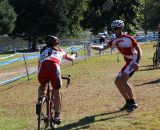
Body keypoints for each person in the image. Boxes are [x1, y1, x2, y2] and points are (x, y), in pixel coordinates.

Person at [91, 20, 142, 112]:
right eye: (113, 29)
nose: (114, 30)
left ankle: (133, 103)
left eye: (116, 29)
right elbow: (103, 47)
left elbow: (139, 50)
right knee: (117, 82)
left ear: (121, 28)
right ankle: (128, 102)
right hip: (127, 62)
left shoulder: (129, 38)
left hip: (133, 60)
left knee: (123, 79)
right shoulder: (114, 40)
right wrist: (94, 46)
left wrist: (137, 62)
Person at [36, 35, 77, 124]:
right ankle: (57, 116)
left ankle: (39, 101)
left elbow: (39, 65)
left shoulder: (42, 52)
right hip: (54, 68)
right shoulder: (59, 51)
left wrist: (39, 75)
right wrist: (74, 54)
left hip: (42, 69)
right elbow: (71, 58)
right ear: (57, 43)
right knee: (56, 90)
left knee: (42, 85)